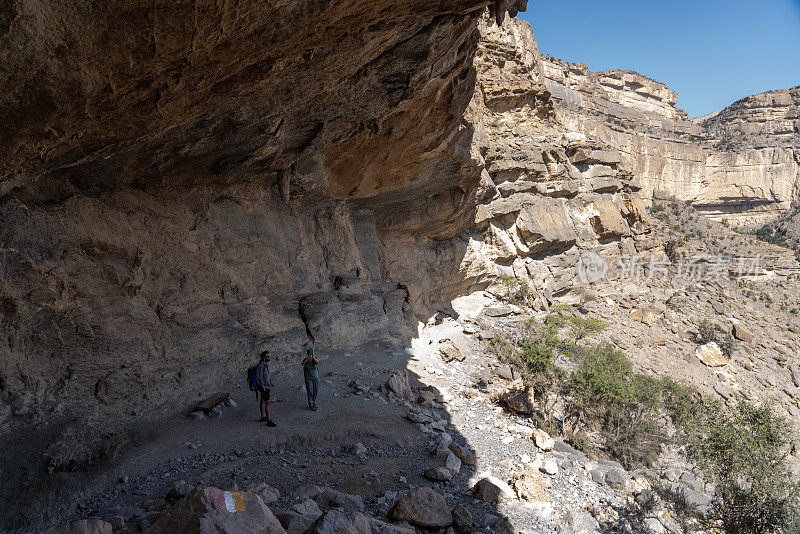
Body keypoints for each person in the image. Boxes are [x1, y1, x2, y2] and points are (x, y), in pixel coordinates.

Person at [256, 350, 276, 426]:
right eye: (267, 356)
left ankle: (263, 416)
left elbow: (265, 376)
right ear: (264, 358)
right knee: (268, 402)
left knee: (263, 401)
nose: (269, 357)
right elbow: (259, 378)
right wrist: (263, 387)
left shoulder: (265, 365)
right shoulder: (261, 366)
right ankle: (269, 420)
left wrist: (270, 383)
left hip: (266, 386)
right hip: (264, 387)